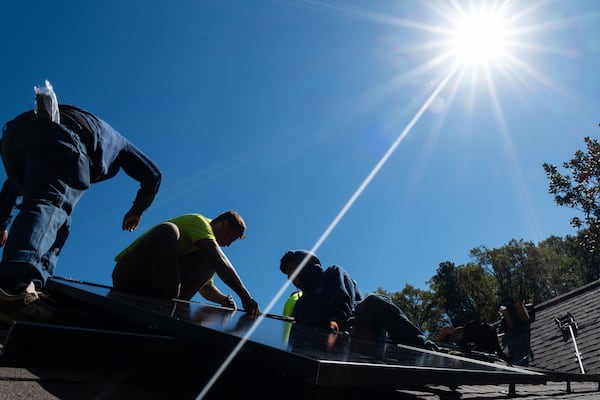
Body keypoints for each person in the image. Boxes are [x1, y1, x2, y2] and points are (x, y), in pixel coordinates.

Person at [0, 83, 162, 321]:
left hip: (15, 138)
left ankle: (32, 289)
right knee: (52, 203)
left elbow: (14, 184)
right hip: (66, 135)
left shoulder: (83, 128)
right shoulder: (119, 143)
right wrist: (137, 210)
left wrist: (2, 223)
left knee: (60, 222)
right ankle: (14, 285)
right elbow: (153, 174)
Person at [112, 211, 260, 316]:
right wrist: (245, 296)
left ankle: (170, 309)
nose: (228, 244)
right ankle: (168, 299)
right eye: (230, 238)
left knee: (211, 261)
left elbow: (205, 287)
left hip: (156, 292)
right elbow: (218, 259)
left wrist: (223, 300)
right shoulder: (198, 222)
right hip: (130, 275)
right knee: (169, 230)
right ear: (223, 224)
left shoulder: (206, 250)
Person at [279, 249, 430, 348]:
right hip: (330, 350)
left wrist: (337, 320)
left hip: (359, 331)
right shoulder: (301, 306)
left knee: (373, 301)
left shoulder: (332, 273)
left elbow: (344, 298)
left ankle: (425, 347)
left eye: (292, 270)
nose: (290, 277)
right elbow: (297, 335)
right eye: (288, 274)